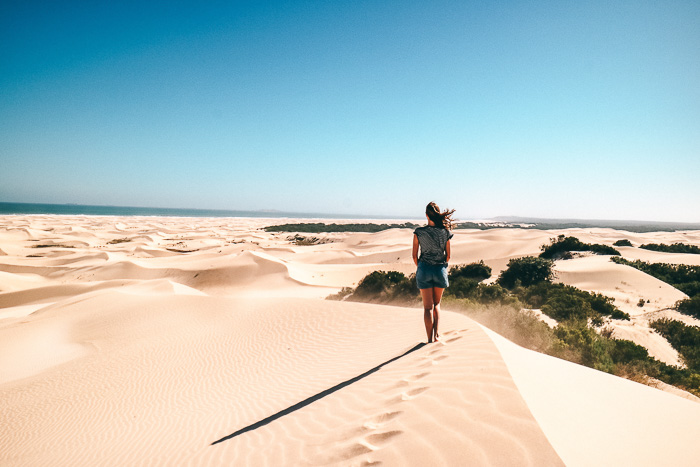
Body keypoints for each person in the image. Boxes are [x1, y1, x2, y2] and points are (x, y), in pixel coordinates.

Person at [412, 202, 455, 343]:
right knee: (437, 304)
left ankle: (429, 339)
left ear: (426, 215)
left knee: (427, 308)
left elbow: (414, 255)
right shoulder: (445, 233)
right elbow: (448, 255)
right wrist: (442, 266)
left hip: (424, 269)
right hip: (439, 269)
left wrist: (421, 267)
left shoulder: (419, 232)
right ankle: (436, 335)